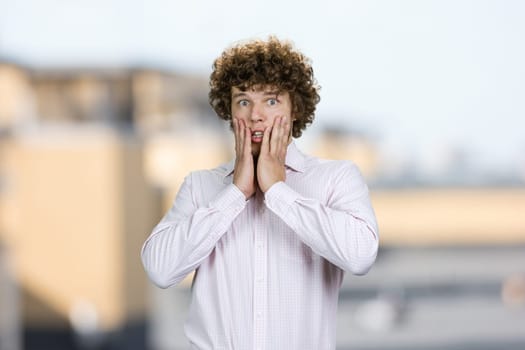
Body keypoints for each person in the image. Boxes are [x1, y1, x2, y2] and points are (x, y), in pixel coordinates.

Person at [141, 36, 379, 350]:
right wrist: (235, 193)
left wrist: (278, 191)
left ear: (295, 109)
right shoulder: (201, 186)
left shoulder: (336, 179)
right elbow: (160, 269)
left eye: (271, 101)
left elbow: (361, 256)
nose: (256, 115)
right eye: (243, 101)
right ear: (230, 112)